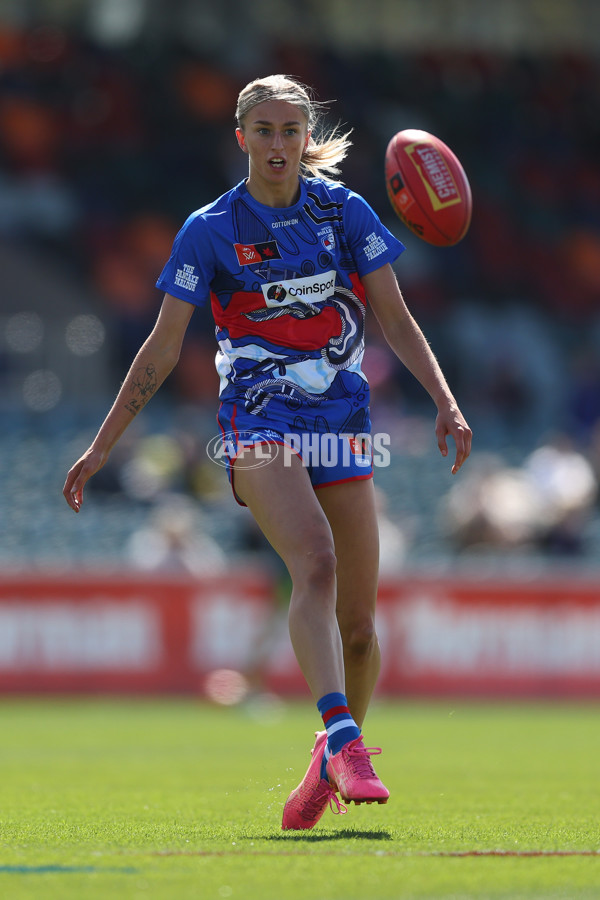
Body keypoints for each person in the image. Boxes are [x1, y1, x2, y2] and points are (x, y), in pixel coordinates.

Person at [64, 74, 472, 830]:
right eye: (266, 130)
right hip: (257, 422)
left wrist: (445, 400)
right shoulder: (209, 228)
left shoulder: (344, 211)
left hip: (342, 420)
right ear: (241, 138)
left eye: (292, 131)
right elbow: (160, 347)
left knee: (359, 625)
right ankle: (345, 738)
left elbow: (397, 318)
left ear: (306, 140)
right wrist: (102, 446)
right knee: (313, 562)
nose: (279, 144)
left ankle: (329, 753)